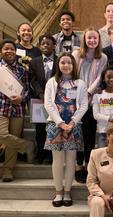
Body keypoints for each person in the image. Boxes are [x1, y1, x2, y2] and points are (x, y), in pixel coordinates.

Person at [44, 52, 88, 207]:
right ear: (58, 65)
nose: (66, 65)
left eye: (69, 62)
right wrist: (61, 123)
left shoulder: (80, 83)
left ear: (73, 65)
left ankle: (68, 191)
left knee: (71, 161)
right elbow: (48, 104)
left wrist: (72, 123)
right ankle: (58, 192)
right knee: (57, 160)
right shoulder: (51, 82)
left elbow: (83, 105)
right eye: (63, 62)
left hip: (74, 127)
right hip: (55, 126)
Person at [72, 27, 107, 183]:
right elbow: (71, 75)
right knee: (78, 135)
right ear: (84, 39)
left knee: (89, 135)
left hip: (92, 102)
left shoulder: (103, 58)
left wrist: (88, 92)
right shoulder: (75, 54)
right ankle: (78, 164)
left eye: (95, 38)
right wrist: (80, 93)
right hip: (76, 102)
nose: (92, 41)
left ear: (98, 40)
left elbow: (100, 78)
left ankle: (87, 165)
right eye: (89, 38)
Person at [0, 39, 34, 182]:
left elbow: (28, 90)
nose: (9, 51)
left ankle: (8, 170)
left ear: (16, 52)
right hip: (1, 107)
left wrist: (22, 97)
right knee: (2, 134)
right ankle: (26, 145)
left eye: (12, 49)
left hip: (17, 109)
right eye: (6, 48)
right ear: (1, 51)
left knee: (12, 141)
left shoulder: (22, 69)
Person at [30, 34, 57, 164]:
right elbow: (33, 80)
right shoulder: (34, 62)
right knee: (40, 129)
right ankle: (40, 154)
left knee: (53, 127)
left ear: (54, 46)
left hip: (55, 100)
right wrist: (41, 94)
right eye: (43, 43)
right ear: (39, 46)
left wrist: (52, 96)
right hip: (39, 100)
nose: (45, 45)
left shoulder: (59, 60)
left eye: (48, 43)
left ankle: (50, 156)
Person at [92, 66, 113, 148]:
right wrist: (109, 119)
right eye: (108, 77)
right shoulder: (97, 95)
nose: (111, 79)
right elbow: (95, 115)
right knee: (103, 158)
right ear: (103, 78)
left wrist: (112, 120)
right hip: (102, 132)